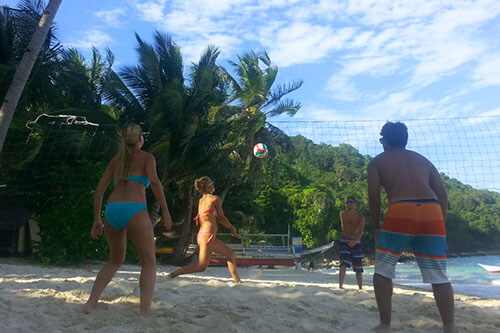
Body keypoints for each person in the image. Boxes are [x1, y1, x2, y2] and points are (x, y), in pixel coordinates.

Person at [367, 122, 456, 333]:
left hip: (401, 209)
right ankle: (450, 326)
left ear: (385, 142)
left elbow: (373, 196)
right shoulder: (423, 160)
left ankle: (385, 324)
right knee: (438, 275)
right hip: (432, 211)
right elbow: (442, 193)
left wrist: (376, 226)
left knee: (383, 270)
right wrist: (440, 222)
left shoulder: (378, 162)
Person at [85, 123, 172, 316]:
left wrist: (96, 219)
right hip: (135, 210)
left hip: (112, 210)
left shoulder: (116, 160)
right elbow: (155, 182)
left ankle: (91, 303)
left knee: (115, 260)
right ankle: (145, 310)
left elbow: (99, 191)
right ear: (140, 138)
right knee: (148, 262)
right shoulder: (147, 157)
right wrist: (165, 210)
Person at [167, 176, 242, 283]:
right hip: (208, 235)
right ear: (208, 187)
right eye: (212, 184)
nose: (214, 186)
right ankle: (173, 274)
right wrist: (231, 228)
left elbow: (210, 217)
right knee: (201, 267)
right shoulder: (215, 198)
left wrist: (230, 228)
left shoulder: (201, 201)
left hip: (203, 234)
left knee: (229, 254)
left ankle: (238, 281)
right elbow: (221, 217)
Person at [338, 197, 365, 289]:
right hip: (344, 239)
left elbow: (361, 231)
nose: (349, 204)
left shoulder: (360, 217)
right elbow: (344, 227)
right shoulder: (342, 213)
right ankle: (340, 285)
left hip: (356, 240)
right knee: (343, 263)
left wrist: (355, 240)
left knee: (358, 266)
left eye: (351, 202)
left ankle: (360, 287)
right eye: (347, 202)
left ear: (355, 204)